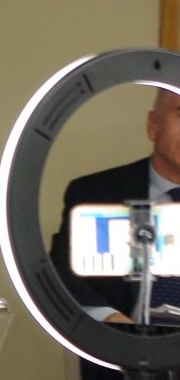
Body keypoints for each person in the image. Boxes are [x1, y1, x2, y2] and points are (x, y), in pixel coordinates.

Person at [49, 89, 180, 380]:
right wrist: (113, 323)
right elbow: (62, 273)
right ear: (153, 125)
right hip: (118, 362)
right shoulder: (95, 193)